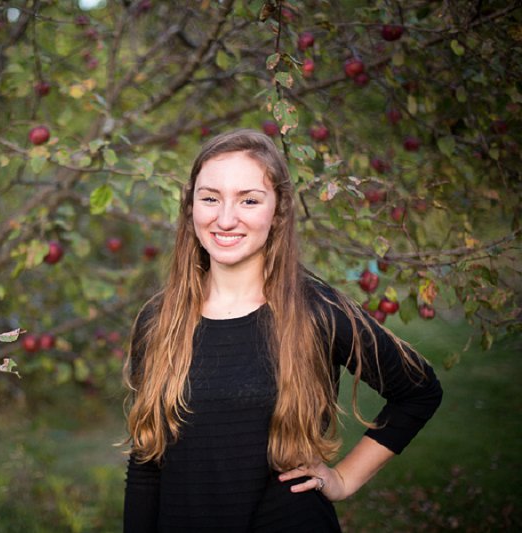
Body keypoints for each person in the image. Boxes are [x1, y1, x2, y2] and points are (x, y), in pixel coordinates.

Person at [122, 129, 443, 532]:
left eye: (249, 200)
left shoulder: (317, 310)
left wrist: (344, 479)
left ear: (278, 211)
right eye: (210, 198)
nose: (225, 218)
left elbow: (418, 391)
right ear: (190, 207)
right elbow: (147, 460)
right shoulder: (160, 320)